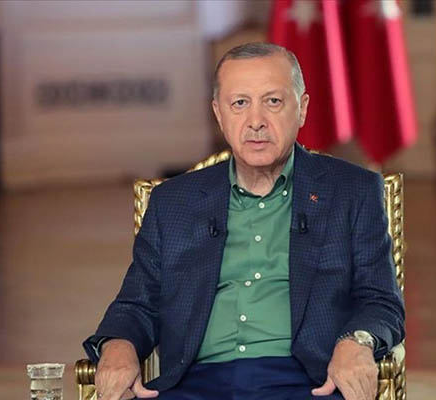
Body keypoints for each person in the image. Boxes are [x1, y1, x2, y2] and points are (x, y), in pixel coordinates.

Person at [84, 42, 404, 400]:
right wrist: (118, 345)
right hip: (195, 385)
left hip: (306, 383)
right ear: (218, 114)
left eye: (273, 101)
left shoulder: (352, 191)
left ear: (302, 108)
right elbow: (137, 304)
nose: (256, 121)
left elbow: (381, 301)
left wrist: (357, 342)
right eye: (239, 103)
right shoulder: (172, 202)